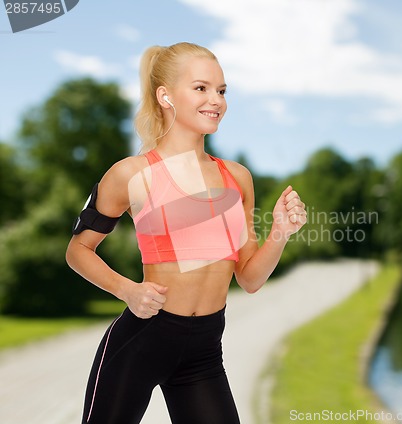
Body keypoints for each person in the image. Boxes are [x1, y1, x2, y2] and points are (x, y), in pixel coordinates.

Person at [66, 42, 307, 424]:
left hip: (204, 352)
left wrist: (281, 231)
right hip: (141, 342)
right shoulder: (131, 174)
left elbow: (250, 278)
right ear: (165, 96)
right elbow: (79, 250)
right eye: (201, 88)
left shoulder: (236, 178)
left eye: (222, 91)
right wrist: (128, 290)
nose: (216, 100)